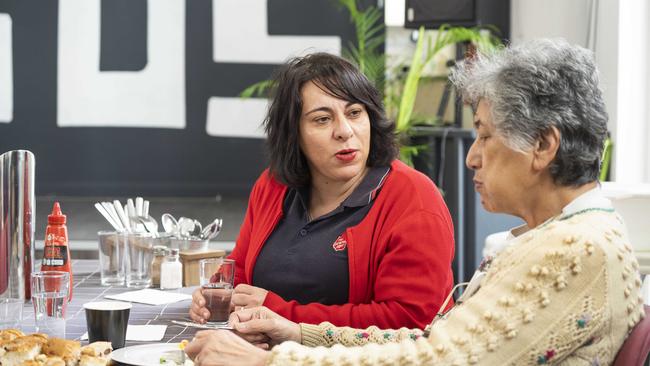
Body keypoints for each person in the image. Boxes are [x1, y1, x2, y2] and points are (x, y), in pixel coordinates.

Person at [184, 39, 644, 365]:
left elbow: (434, 358)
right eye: (322, 119)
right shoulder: (565, 236)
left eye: (484, 134)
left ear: (543, 146)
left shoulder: (572, 251)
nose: (471, 156)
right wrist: (296, 331)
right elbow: (434, 340)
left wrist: (269, 362)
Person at [189, 52, 456, 329]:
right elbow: (240, 269)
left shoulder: (413, 198)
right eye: (322, 119)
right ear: (294, 135)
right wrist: (216, 292)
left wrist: (282, 316)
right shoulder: (273, 185)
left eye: (354, 113)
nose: (344, 131)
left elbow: (410, 322)